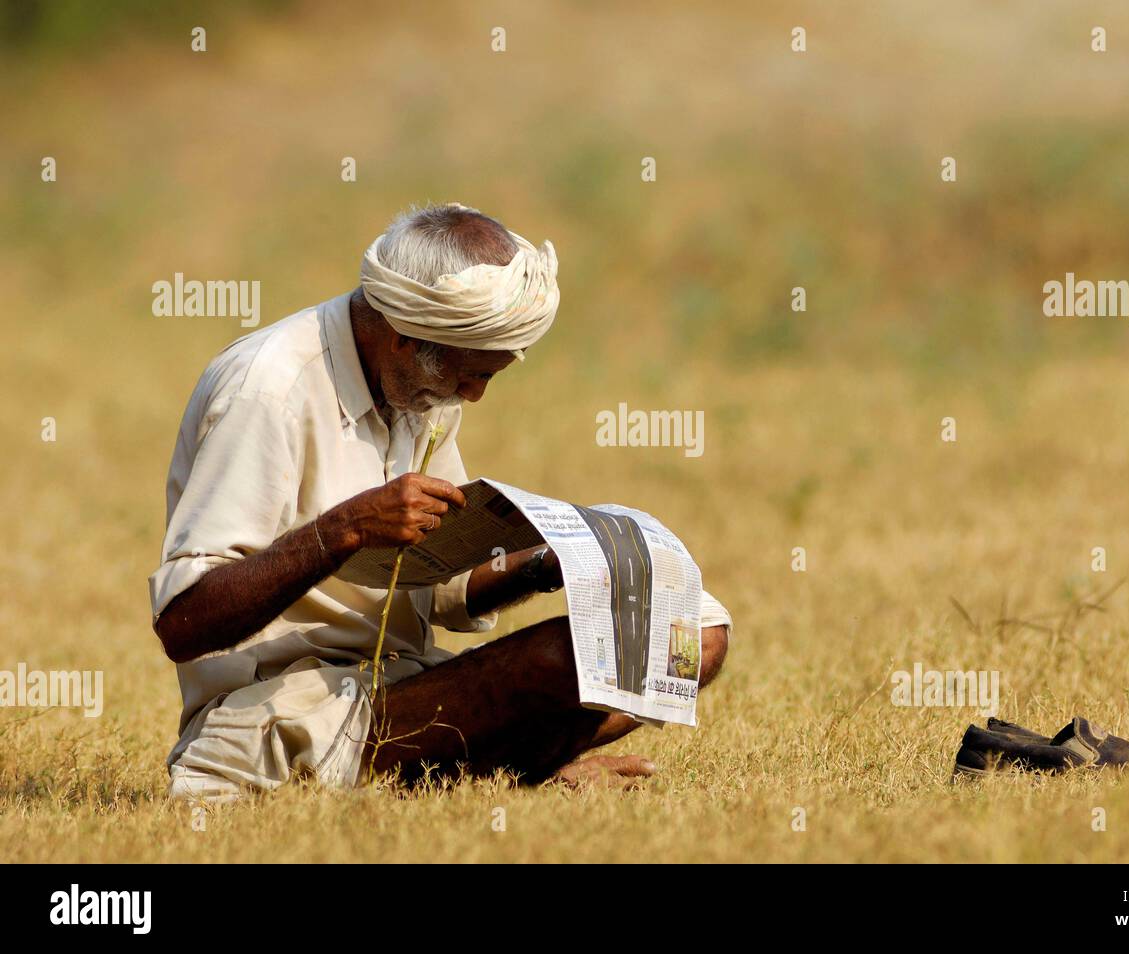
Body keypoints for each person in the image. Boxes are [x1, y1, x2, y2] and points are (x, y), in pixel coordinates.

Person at [150, 202, 732, 801]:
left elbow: (437, 588)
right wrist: (343, 529)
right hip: (278, 716)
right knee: (560, 658)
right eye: (470, 373)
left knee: (695, 636)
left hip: (402, 692)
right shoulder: (266, 391)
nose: (474, 396)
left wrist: (542, 566)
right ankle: (508, 769)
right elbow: (185, 623)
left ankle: (493, 767)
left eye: (491, 376)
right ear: (403, 336)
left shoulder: (420, 393)